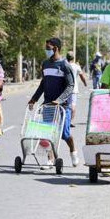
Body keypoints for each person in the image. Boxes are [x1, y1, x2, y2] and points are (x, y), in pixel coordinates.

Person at [28, 38, 78, 167]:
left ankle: (73, 151)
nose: (46, 51)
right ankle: (50, 159)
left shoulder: (64, 65)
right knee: (48, 132)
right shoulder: (45, 64)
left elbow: (70, 86)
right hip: (48, 105)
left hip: (63, 106)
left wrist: (60, 100)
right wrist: (34, 98)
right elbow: (43, 83)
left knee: (64, 134)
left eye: (48, 48)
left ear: (55, 48)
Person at [66, 51, 87, 128]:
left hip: (64, 88)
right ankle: (70, 121)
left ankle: (65, 120)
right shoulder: (76, 66)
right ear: (73, 58)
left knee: (65, 105)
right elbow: (82, 76)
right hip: (73, 89)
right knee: (73, 105)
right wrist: (85, 83)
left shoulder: (64, 65)